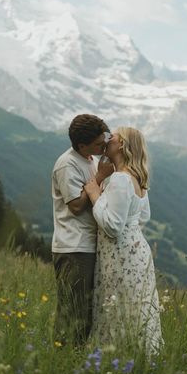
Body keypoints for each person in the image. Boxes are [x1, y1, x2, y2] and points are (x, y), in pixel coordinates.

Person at [84, 127, 163, 356]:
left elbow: (112, 226)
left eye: (113, 136)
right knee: (134, 306)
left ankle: (113, 358)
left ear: (122, 145)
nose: (107, 139)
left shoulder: (120, 179)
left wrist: (94, 195)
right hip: (137, 252)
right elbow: (143, 216)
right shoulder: (137, 177)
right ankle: (136, 358)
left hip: (120, 253)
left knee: (115, 306)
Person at [51, 114, 114, 346]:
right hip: (73, 247)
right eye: (98, 143)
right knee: (73, 311)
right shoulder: (67, 164)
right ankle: (63, 359)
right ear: (81, 145)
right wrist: (99, 177)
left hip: (87, 244)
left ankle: (75, 359)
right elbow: (76, 206)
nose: (103, 146)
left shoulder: (89, 158)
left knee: (86, 311)